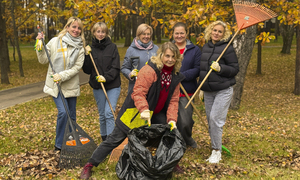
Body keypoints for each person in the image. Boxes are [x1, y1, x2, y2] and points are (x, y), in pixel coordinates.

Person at [80, 42, 184, 180]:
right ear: (161, 55)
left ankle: (169, 163)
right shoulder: (149, 71)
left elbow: (173, 101)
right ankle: (89, 165)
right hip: (135, 111)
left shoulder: (175, 76)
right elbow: (138, 92)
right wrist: (144, 109)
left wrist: (171, 119)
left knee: (168, 134)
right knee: (114, 139)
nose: (170, 59)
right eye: (167, 56)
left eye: (173, 57)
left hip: (155, 113)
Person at [35, 17, 86, 151]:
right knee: (64, 113)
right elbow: (43, 60)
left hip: (70, 85)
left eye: (79, 28)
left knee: (72, 116)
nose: (76, 30)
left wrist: (61, 76)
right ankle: (59, 144)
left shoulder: (81, 47)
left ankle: (70, 141)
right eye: (73, 27)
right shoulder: (55, 41)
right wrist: (39, 46)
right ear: (67, 27)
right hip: (55, 86)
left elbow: (76, 68)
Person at [198, 20, 239, 163]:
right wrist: (201, 88)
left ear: (224, 34)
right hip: (208, 91)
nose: (216, 33)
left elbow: (235, 69)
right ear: (210, 31)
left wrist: (221, 68)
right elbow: (202, 69)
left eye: (220, 31)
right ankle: (215, 146)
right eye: (214, 30)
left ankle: (216, 151)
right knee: (211, 121)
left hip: (223, 89)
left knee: (216, 119)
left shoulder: (227, 48)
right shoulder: (206, 47)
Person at [83, 22, 121, 141]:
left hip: (113, 85)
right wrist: (86, 56)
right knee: (102, 115)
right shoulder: (90, 49)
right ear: (94, 33)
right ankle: (104, 138)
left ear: (106, 33)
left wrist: (106, 77)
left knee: (109, 112)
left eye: (103, 31)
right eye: (98, 31)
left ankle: (110, 141)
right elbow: (87, 70)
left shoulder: (113, 47)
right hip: (98, 86)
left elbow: (115, 67)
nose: (100, 34)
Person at [172, 22, 201, 149]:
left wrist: (181, 76)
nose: (179, 36)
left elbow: (197, 69)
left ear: (186, 34)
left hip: (186, 90)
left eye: (181, 33)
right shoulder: (168, 48)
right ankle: (176, 142)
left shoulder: (194, 50)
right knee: (172, 119)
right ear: (173, 34)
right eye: (176, 33)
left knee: (185, 120)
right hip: (170, 91)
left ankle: (187, 138)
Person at [121, 23, 159, 93]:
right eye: (143, 34)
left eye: (148, 34)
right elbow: (124, 68)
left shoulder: (156, 49)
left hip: (153, 88)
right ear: (138, 35)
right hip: (136, 88)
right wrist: (130, 74)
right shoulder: (131, 50)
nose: (146, 36)